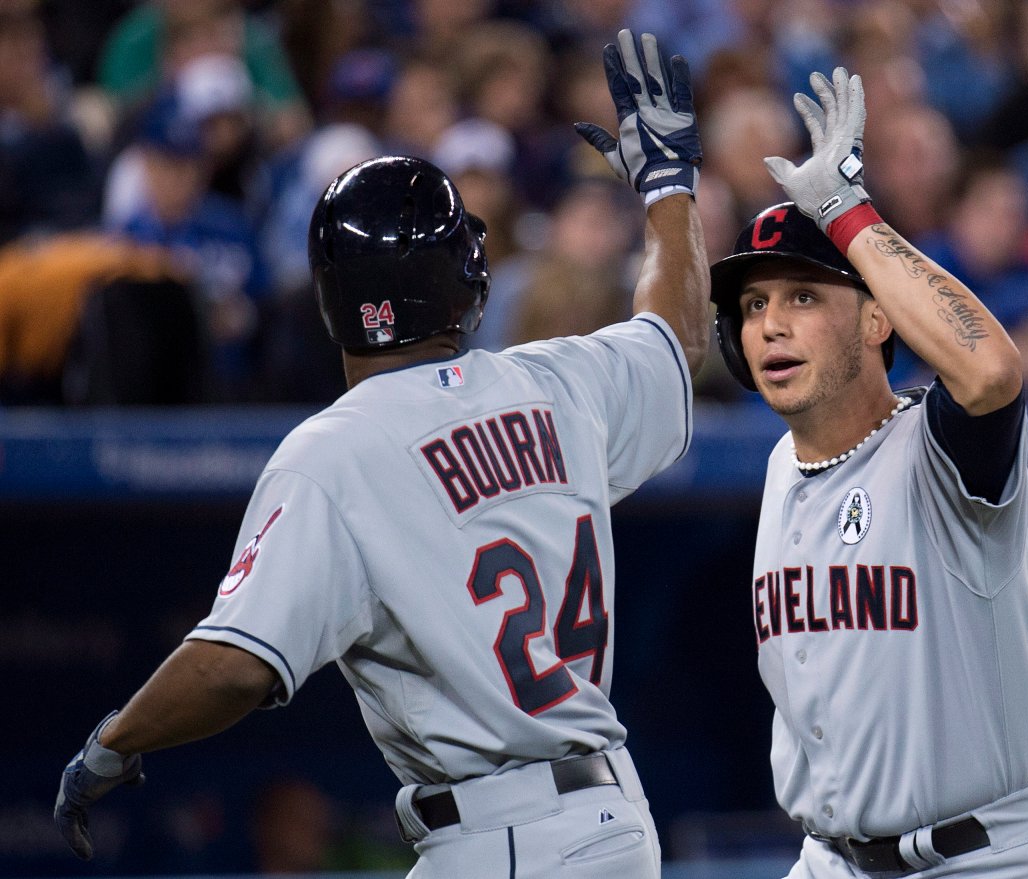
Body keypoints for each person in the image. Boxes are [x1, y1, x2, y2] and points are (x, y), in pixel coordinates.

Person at [53, 29, 707, 879]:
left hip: (498, 835)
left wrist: (112, 740)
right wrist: (667, 187)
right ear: (467, 278)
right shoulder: (559, 383)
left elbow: (234, 664)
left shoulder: (336, 450)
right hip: (614, 819)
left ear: (332, 301)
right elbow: (676, 334)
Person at [707, 67, 1028, 877]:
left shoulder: (941, 447)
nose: (770, 322)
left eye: (804, 298)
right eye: (752, 305)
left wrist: (851, 216)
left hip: (986, 856)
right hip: (830, 858)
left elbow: (991, 373)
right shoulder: (783, 465)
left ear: (879, 316)